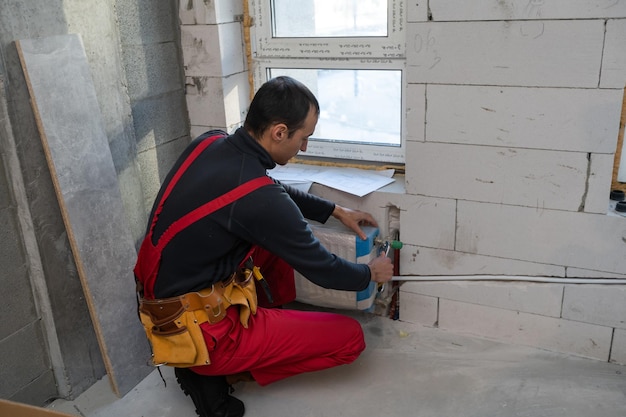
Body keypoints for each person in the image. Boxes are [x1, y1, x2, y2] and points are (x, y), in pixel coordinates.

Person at [134, 76, 394, 417]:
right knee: (350, 339)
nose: (305, 148)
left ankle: (262, 334)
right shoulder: (258, 200)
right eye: (304, 138)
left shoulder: (211, 143)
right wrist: (369, 274)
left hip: (163, 295)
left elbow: (271, 190)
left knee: (271, 244)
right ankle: (214, 369)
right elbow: (324, 269)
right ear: (280, 132)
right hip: (200, 328)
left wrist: (333, 210)